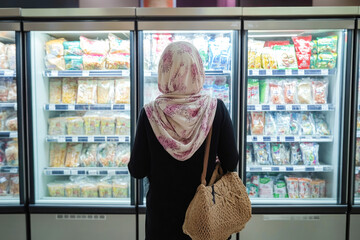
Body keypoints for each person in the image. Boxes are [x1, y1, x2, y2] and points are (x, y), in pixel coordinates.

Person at [129, 41, 238, 240]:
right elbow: (231, 162)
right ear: (197, 70)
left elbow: (137, 170)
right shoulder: (216, 109)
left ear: (164, 70)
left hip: (162, 221)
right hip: (207, 218)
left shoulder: (149, 113)